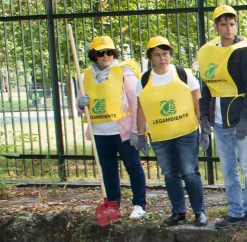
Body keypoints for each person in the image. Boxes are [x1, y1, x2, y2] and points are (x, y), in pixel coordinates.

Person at [198, 5, 247, 229]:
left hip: (240, 119)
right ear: (216, 26)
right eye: (224, 24)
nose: (228, 28)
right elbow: (206, 86)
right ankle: (235, 212)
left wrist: (245, 118)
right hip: (219, 121)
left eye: (232, 24)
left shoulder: (245, 51)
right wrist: (204, 119)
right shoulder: (209, 53)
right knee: (228, 170)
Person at [135, 36, 205, 226]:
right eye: (157, 55)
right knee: (170, 174)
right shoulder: (144, 80)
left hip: (186, 132)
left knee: (190, 172)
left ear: (170, 55)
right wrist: (140, 135)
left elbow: (197, 100)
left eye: (165, 54)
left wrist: (204, 127)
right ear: (151, 57)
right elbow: (141, 109)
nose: (162, 58)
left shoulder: (183, 74)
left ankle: (199, 212)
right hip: (160, 136)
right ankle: (178, 211)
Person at [75, 35, 147, 219]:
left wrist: (136, 131)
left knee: (133, 167)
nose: (105, 56)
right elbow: (82, 108)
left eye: (109, 52)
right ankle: (113, 205)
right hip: (100, 132)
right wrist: (80, 104)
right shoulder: (85, 76)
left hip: (123, 132)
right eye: (100, 53)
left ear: (114, 53)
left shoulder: (124, 73)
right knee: (108, 170)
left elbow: (137, 103)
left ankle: (139, 205)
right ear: (94, 55)